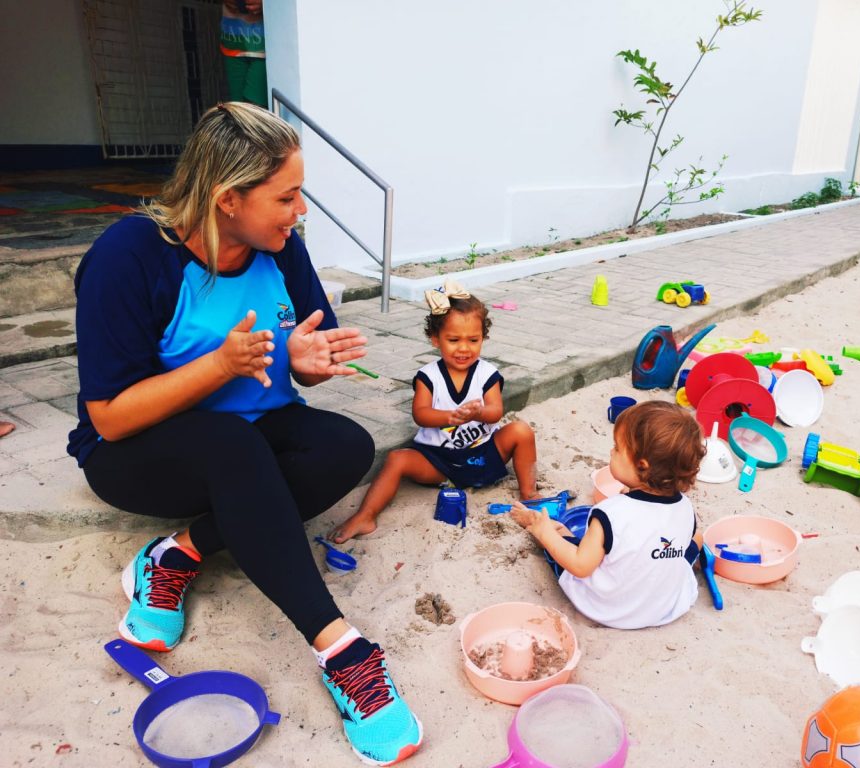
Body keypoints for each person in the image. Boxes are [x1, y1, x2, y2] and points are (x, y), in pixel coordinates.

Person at [66, 102, 421, 765]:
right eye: (286, 197)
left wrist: (303, 364)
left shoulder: (283, 251)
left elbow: (298, 357)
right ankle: (343, 652)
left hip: (253, 432)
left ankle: (176, 555)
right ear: (228, 199)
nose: (299, 212)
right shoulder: (130, 256)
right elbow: (110, 415)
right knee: (232, 447)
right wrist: (219, 366)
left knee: (346, 446)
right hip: (139, 446)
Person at [328, 279, 538, 544]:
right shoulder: (429, 376)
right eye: (453, 340)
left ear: (483, 338)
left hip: (483, 455)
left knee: (521, 430)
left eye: (473, 340)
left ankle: (530, 494)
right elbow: (421, 414)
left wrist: (479, 413)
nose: (464, 348)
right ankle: (366, 515)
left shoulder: (487, 373)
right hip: (441, 461)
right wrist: (449, 417)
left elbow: (496, 411)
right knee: (397, 458)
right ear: (435, 339)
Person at [510, 400, 705, 630]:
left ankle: (544, 529)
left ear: (642, 466)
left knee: (553, 539)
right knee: (696, 538)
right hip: (663, 605)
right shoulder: (685, 508)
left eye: (618, 448)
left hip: (612, 608)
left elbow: (580, 566)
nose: (612, 451)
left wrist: (544, 533)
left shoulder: (609, 513)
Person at [221, 0, 268, 108]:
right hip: (232, 39)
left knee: (255, 106)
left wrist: (267, 2)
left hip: (263, 46)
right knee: (238, 108)